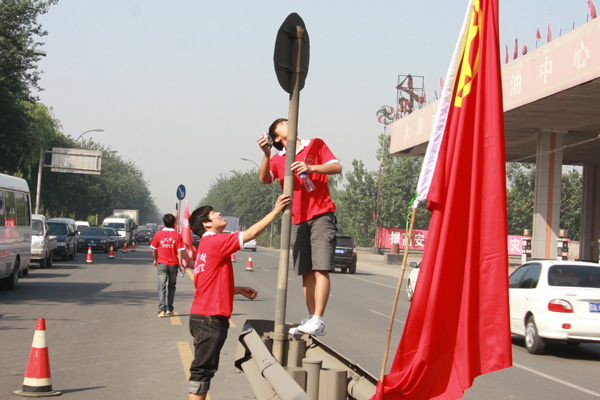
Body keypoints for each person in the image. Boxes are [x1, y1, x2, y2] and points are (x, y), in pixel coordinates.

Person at [186, 193, 291, 400]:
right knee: (201, 371)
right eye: (214, 213)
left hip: (202, 316)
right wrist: (276, 211)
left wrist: (238, 289)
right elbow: (251, 233)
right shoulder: (216, 242)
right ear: (207, 224)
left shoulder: (205, 247)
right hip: (210, 318)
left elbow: (208, 284)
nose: (220, 214)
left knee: (204, 370)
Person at [257, 118, 342, 336]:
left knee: (320, 267)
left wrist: (310, 166)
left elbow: (336, 166)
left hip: (321, 213)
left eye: (288, 120)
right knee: (305, 271)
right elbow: (265, 179)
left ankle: (319, 318)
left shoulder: (315, 144)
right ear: (277, 137)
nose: (288, 122)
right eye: (283, 123)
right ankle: (312, 317)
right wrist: (266, 154)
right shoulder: (278, 158)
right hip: (296, 219)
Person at [150, 214, 184, 318]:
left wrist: (155, 259)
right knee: (172, 286)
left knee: (162, 287)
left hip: (162, 264)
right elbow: (179, 252)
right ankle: (169, 308)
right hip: (174, 264)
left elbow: (154, 250)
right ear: (174, 223)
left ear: (164, 222)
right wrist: (181, 264)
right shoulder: (178, 236)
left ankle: (161, 310)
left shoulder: (158, 234)